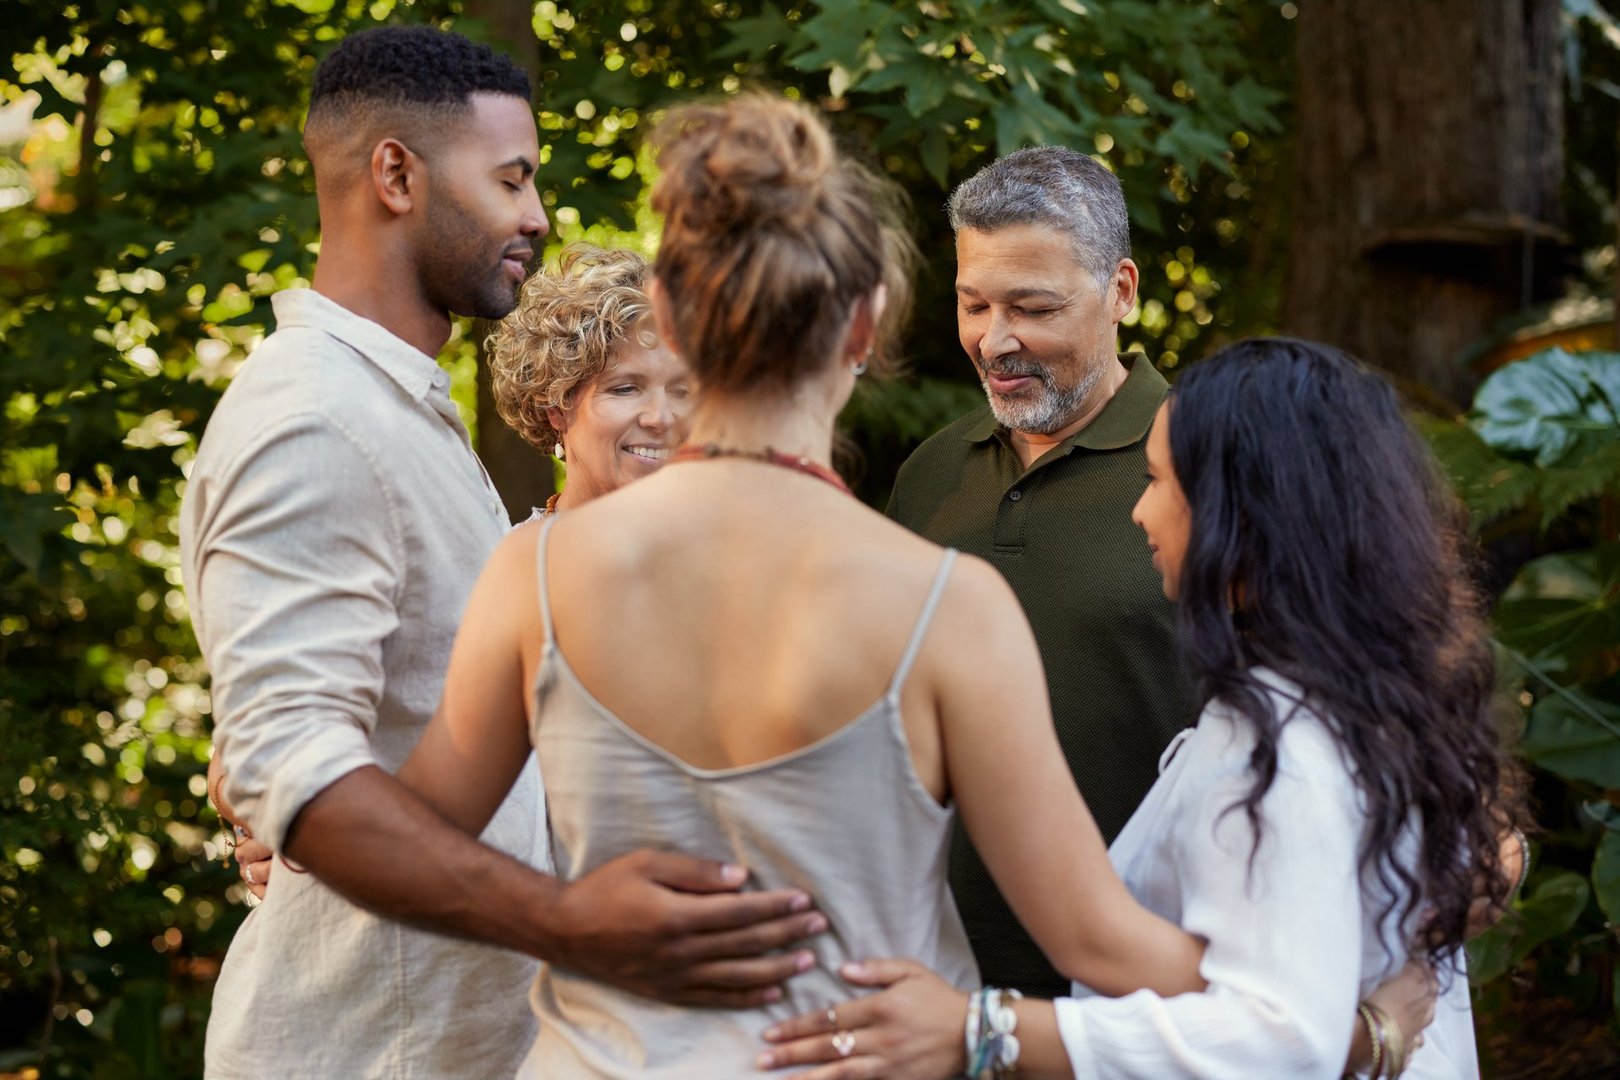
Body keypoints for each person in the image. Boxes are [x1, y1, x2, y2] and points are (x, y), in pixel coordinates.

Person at [392, 93, 1216, 1078]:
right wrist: (1348, 1005)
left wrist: (297, 797)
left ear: (667, 313)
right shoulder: (947, 606)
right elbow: (1104, 945)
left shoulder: (533, 571)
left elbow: (399, 841)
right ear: (864, 326)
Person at [180, 29, 818, 1079]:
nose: (536, 216)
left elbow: (376, 718)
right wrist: (572, 921)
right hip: (367, 1051)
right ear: (396, 174)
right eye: (513, 178)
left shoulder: (398, 417)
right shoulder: (313, 420)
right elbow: (296, 771)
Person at [760, 338, 1517, 1079]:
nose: (1139, 513)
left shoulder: (1280, 741)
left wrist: (981, 1032)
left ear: (1242, 518)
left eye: (1158, 482)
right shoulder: (1373, 698)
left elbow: (1279, 1033)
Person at [208, 242, 691, 892]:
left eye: (683, 390)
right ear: (557, 408)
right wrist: (270, 828)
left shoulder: (735, 567)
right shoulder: (501, 570)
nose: (662, 417)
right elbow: (265, 744)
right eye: (625, 388)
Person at [884, 146, 1193, 999]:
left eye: (1033, 307)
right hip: (941, 981)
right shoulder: (930, 473)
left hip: (1147, 990)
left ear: (1121, 291)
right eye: (973, 303)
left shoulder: (1210, 465)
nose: (996, 340)